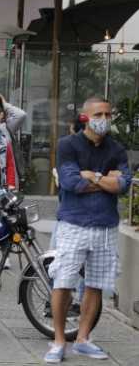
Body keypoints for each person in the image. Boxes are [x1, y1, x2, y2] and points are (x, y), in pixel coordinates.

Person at [43, 98, 131, 363]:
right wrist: (104, 178)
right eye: (98, 114)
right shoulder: (68, 145)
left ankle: (82, 339)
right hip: (74, 224)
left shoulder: (116, 148)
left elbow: (124, 185)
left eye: (107, 113)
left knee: (96, 285)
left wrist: (89, 175)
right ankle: (59, 341)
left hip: (106, 226)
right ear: (85, 117)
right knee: (63, 283)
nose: (103, 118)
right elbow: (70, 182)